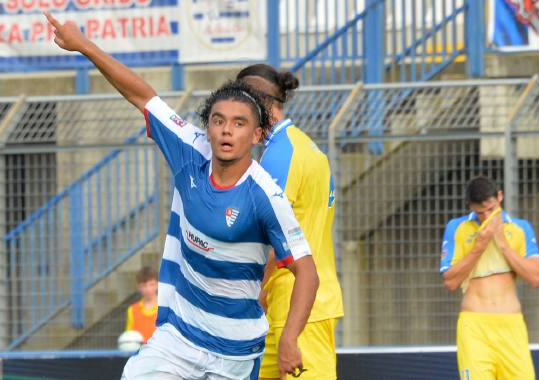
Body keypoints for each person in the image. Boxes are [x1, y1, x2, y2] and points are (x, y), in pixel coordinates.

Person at [44, 12, 319, 380]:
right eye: (218, 120)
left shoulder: (265, 195)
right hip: (179, 339)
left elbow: (307, 271)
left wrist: (289, 339)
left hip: (235, 352)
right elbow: (142, 94)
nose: (226, 130)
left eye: (239, 124)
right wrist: (83, 45)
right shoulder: (190, 150)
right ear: (207, 127)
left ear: (256, 136)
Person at [235, 64, 344, 380]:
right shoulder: (304, 146)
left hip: (299, 309)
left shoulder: (279, 155)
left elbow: (275, 239)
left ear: (256, 103)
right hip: (289, 306)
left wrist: (252, 295)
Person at [440, 175, 539, 380]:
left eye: (491, 209)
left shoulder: (520, 228)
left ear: (500, 196)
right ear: (470, 206)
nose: (487, 217)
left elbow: (536, 278)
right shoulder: (457, 228)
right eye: (480, 213)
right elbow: (450, 281)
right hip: (474, 328)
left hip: (511, 326)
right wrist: (479, 246)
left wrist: (502, 242)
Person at [126, 266, 159, 345]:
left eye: (151, 284)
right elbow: (128, 338)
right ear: (138, 287)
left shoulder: (165, 308)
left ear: (157, 284)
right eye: (144, 285)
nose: (148, 289)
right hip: (139, 354)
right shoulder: (132, 310)